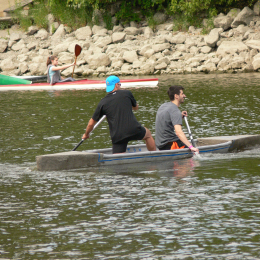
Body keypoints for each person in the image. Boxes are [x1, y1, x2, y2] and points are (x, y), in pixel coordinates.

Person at [82, 75, 156, 153]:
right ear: (117, 85)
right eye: (120, 84)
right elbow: (136, 107)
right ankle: (155, 155)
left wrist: (86, 134)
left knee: (119, 157)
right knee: (148, 134)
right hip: (133, 129)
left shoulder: (103, 102)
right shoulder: (127, 93)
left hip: (118, 136)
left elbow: (91, 124)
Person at [155, 85, 199, 154]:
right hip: (170, 145)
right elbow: (179, 132)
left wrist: (180, 116)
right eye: (182, 94)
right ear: (176, 96)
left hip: (160, 145)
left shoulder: (163, 106)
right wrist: (191, 147)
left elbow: (166, 120)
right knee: (192, 157)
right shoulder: (175, 111)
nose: (184, 96)